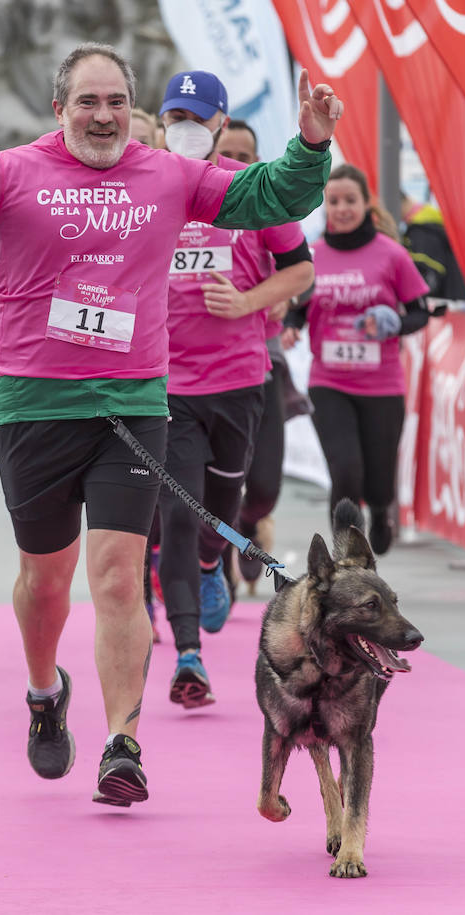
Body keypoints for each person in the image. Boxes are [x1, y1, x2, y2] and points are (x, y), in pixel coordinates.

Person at [0, 42, 340, 805]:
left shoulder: (169, 175)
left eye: (117, 101)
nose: (103, 115)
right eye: (87, 102)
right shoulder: (8, 172)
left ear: (134, 110)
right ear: (60, 109)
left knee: (120, 576)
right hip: (36, 409)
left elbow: (269, 199)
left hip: (131, 405)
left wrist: (312, 143)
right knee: (45, 583)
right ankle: (42, 691)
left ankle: (124, 742)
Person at [157, 82, 315, 709]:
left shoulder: (249, 191)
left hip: (240, 381)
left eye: (198, 117)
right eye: (175, 116)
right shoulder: (148, 186)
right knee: (175, 513)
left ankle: (208, 561)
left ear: (221, 122)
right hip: (166, 385)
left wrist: (248, 302)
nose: (186, 126)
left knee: (223, 503)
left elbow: (301, 269)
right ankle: (188, 654)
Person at [302, 164, 430, 555]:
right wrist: (290, 323)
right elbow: (297, 304)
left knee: (377, 478)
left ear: (366, 205)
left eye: (350, 201)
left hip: (382, 384)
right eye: (334, 201)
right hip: (329, 382)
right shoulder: (312, 255)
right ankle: (344, 559)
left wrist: (394, 324)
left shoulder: (391, 255)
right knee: (344, 472)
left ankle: (381, 511)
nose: (342, 209)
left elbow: (420, 312)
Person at [214, 122, 313, 597]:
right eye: (227, 151)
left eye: (245, 154)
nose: (235, 161)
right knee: (213, 485)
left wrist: (272, 301)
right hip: (193, 369)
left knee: (265, 484)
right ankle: (213, 559)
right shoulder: (194, 205)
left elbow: (300, 275)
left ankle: (247, 526)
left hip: (262, 359)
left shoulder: (267, 206)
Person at [400, 192, 465, 303]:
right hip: (463, 301)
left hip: (448, 306)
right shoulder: (435, 224)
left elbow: (428, 280)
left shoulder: (421, 233)